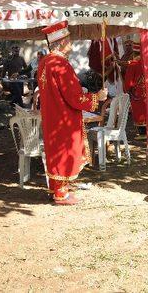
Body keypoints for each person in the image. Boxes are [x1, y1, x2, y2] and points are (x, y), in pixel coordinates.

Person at [37, 21, 108, 204]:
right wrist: (96, 97)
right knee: (64, 152)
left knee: (56, 151)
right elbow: (73, 97)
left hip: (52, 116)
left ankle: (59, 188)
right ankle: (61, 194)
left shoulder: (44, 62)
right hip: (63, 118)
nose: (71, 43)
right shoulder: (61, 64)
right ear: (60, 42)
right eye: (68, 40)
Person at [123, 42, 148, 136]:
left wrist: (126, 90)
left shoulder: (133, 64)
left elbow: (128, 82)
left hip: (138, 94)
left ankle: (143, 132)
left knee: (140, 112)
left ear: (134, 52)